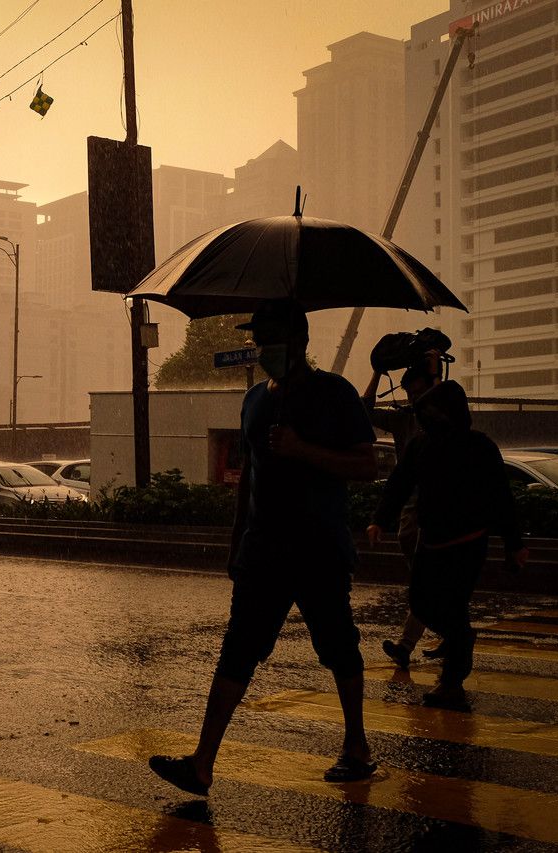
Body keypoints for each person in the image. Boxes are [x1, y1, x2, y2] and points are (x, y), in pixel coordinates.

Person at [149, 299, 380, 798]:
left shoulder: (334, 394)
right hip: (263, 552)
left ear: (299, 342)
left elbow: (367, 465)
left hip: (319, 549)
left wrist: (303, 450)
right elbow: (249, 476)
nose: (263, 348)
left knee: (338, 646)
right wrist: (237, 542)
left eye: (271, 339)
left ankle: (356, 745)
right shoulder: (255, 400)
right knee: (238, 650)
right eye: (259, 339)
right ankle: (202, 763)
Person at [368, 380, 527, 707]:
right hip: (431, 541)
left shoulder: (480, 447)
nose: (427, 417)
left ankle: (451, 684)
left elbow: (501, 498)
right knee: (423, 603)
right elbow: (398, 485)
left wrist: (514, 543)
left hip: (468, 544)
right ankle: (461, 639)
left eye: (433, 410)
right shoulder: (420, 445)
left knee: (452, 609)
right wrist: (379, 520)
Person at [361, 354, 442, 670]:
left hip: (440, 505)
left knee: (427, 580)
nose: (414, 399)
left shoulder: (441, 419)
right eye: (409, 393)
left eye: (419, 392)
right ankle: (451, 632)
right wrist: (378, 372)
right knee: (431, 581)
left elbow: (442, 405)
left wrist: (435, 374)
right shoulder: (403, 420)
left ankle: (407, 645)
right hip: (413, 505)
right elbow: (365, 411)